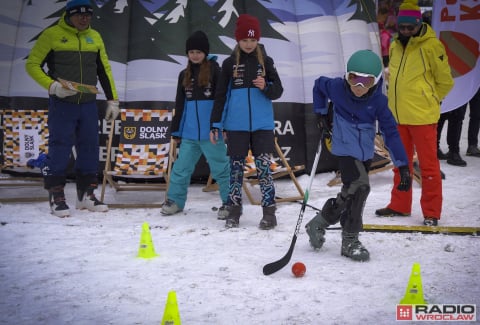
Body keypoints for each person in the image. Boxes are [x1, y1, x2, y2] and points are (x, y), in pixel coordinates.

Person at [305, 50, 411, 262]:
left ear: (376, 81)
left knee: (351, 191)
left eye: (367, 81)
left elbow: (390, 132)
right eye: (354, 78)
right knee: (361, 187)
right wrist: (321, 112)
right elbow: (318, 85)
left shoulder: (379, 102)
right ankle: (350, 240)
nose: (359, 86)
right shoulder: (336, 88)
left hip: (364, 151)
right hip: (344, 147)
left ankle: (319, 222)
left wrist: (404, 166)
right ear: (346, 75)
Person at [25, 0, 119, 217]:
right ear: (68, 15)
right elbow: (32, 64)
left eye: (88, 15)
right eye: (79, 15)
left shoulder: (94, 36)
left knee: (89, 148)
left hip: (87, 104)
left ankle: (86, 196)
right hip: (62, 104)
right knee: (59, 148)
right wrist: (52, 86)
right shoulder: (52, 34)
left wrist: (113, 99)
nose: (84, 19)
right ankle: (56, 197)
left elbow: (104, 69)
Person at [375, 0, 454, 226]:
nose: (407, 31)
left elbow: (445, 82)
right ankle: (399, 205)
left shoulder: (432, 46)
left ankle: (431, 212)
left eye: (411, 27)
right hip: (398, 117)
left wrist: (430, 98)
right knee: (401, 164)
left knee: (429, 168)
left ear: (419, 24)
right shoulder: (394, 44)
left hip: (422, 117)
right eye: (403, 27)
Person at [210, 14, 284, 229]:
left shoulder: (266, 62)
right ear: (237, 40)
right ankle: (234, 210)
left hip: (262, 127)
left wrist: (266, 86)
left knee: (264, 169)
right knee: (235, 170)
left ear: (258, 39)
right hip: (236, 127)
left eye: (253, 40)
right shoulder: (229, 63)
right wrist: (216, 124)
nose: (249, 44)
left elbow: (278, 90)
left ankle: (269, 212)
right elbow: (221, 96)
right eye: (245, 40)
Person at [161, 31, 230, 218]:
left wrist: (219, 125)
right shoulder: (184, 74)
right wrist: (176, 130)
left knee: (221, 169)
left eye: (199, 51)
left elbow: (222, 101)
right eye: (191, 51)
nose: (195, 55)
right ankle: (175, 201)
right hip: (190, 134)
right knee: (181, 169)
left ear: (206, 52)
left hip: (211, 134)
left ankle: (229, 203)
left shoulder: (216, 71)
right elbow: (180, 103)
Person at [466, 87, 480, 157]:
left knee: (477, 115)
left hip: (478, 84)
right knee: (457, 117)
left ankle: (472, 145)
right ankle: (453, 150)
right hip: (464, 84)